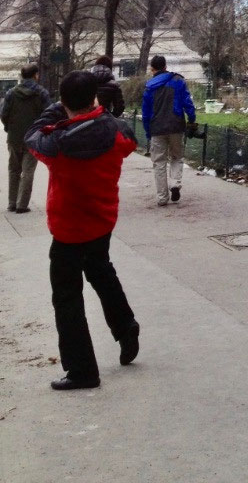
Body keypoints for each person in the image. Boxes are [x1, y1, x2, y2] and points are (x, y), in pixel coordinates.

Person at [25, 69, 140, 390]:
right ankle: (125, 325)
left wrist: (56, 109)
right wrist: (97, 111)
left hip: (68, 229)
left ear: (64, 101)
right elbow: (127, 134)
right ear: (94, 99)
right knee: (101, 270)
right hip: (102, 220)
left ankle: (82, 369)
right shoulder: (117, 135)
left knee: (67, 296)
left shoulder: (57, 144)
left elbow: (32, 134)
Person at [142, 54, 196, 206]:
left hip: (156, 128)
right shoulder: (178, 81)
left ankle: (162, 198)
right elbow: (187, 102)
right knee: (177, 157)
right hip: (176, 125)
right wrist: (191, 119)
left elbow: (146, 113)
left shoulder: (149, 86)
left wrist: (148, 131)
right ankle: (175, 184)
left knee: (159, 162)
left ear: (152, 69)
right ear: (165, 66)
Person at [1, 62, 52, 212]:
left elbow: (4, 114)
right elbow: (48, 114)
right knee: (28, 170)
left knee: (13, 169)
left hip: (14, 136)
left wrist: (9, 127)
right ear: (36, 75)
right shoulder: (42, 93)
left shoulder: (11, 93)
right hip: (33, 137)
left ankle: (12, 202)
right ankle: (22, 204)